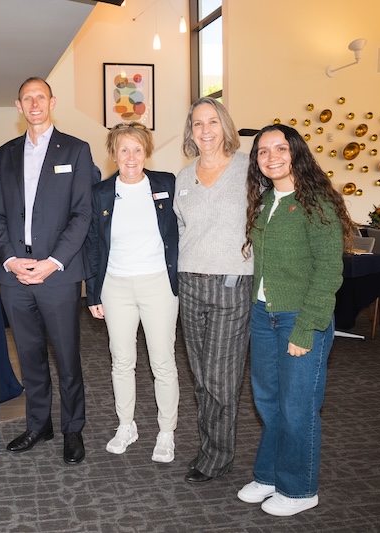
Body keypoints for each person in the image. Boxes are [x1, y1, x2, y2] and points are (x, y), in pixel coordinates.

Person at [237, 124, 349, 516]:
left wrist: (307, 326)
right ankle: (270, 475)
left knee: (298, 407)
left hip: (299, 317)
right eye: (263, 151)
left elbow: (329, 271)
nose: (271, 157)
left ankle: (300, 489)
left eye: (280, 148)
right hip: (263, 315)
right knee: (269, 403)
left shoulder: (316, 202)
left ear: (296, 152)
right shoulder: (266, 199)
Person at [0, 77, 94, 465]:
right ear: (18, 106)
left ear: (52, 102)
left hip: (58, 274)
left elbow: (82, 214)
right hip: (15, 275)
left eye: (40, 97)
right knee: (29, 356)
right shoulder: (5, 154)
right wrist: (10, 259)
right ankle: (38, 425)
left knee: (67, 358)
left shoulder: (77, 150)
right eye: (27, 98)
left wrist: (52, 262)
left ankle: (72, 429)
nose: (34, 104)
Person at [85, 122, 180, 462]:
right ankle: (126, 426)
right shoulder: (100, 193)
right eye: (123, 149)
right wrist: (93, 293)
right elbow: (92, 246)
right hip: (116, 286)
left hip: (159, 285)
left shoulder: (166, 184)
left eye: (137, 149)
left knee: (163, 362)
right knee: (122, 361)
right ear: (113, 154)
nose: (130, 156)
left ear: (146, 152)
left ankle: (166, 432)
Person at [173, 97, 253, 483]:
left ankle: (217, 456)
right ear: (190, 132)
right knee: (201, 377)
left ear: (225, 126)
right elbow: (179, 229)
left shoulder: (249, 169)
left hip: (231, 285)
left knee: (221, 377)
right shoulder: (183, 177)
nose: (205, 130)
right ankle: (209, 448)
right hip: (189, 283)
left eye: (212, 122)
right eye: (197, 123)